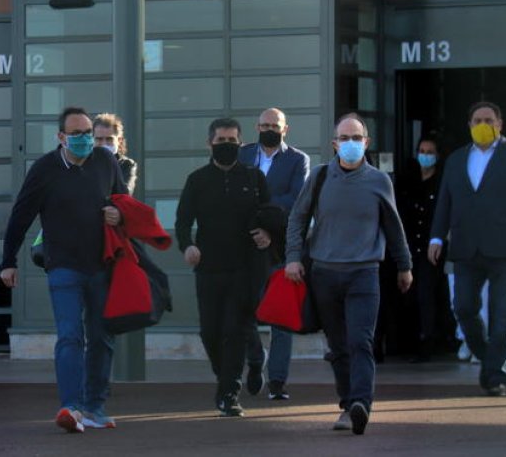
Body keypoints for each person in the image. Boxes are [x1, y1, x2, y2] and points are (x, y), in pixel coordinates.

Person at [0, 107, 127, 433]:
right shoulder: (45, 169)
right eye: (77, 134)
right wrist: (8, 261)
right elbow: (21, 215)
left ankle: (94, 407)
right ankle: (71, 407)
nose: (84, 139)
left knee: (102, 338)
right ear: (61, 137)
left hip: (102, 266)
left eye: (88, 133)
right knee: (70, 336)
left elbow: (125, 204)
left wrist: (118, 214)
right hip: (63, 267)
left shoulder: (106, 162)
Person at [284, 113, 412, 436]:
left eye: (357, 138)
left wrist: (404, 264)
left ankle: (361, 404)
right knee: (338, 346)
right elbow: (297, 219)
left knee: (361, 340)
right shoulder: (320, 177)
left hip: (364, 273)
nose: (351, 144)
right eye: (345, 138)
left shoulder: (379, 181)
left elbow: (394, 227)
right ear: (335, 144)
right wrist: (292, 259)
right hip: (324, 273)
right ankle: (347, 403)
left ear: (366, 143)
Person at [429, 101, 506, 397]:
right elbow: (445, 201)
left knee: (503, 317)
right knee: (464, 308)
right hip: (466, 247)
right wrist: (436, 238)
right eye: (477, 119)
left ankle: (495, 375)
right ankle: (489, 360)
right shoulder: (456, 159)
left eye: (488, 119)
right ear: (469, 125)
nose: (483, 124)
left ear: (500, 124)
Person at [175, 118, 270, 417]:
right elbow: (182, 221)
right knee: (210, 332)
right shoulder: (197, 180)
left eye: (232, 141)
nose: (226, 146)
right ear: (210, 144)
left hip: (245, 268)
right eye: (221, 141)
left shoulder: (254, 178)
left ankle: (229, 393)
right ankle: (244, 367)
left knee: (235, 330)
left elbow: (271, 216)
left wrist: (268, 235)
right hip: (208, 268)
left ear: (240, 144)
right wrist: (187, 245)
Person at [238, 107, 310, 400]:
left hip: (280, 247)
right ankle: (256, 359)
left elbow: (295, 200)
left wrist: (264, 221)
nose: (269, 129)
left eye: (275, 125)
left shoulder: (297, 160)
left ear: (285, 129)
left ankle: (278, 381)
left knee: (281, 318)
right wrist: (255, 227)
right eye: (264, 124)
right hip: (245, 247)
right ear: (256, 127)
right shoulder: (242, 155)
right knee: (244, 314)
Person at [393, 136, 450, 362]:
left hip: (431, 247)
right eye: (421, 150)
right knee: (409, 294)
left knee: (427, 294)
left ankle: (429, 341)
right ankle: (406, 341)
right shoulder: (408, 180)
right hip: (409, 246)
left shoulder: (441, 182)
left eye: (430, 151)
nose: (425, 155)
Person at [93, 113, 138, 193]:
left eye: (109, 139)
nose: (104, 144)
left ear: (119, 140)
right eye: (99, 139)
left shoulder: (126, 164)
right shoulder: (84, 163)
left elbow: (124, 193)